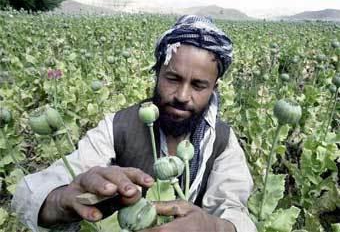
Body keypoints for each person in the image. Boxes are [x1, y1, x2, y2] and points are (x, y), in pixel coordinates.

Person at [12, 15, 257, 232]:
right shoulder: (118, 127)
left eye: (198, 85)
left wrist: (215, 227)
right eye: (173, 78)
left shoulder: (222, 140)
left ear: (214, 88)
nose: (182, 96)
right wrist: (61, 201)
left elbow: (234, 209)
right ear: (157, 72)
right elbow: (30, 193)